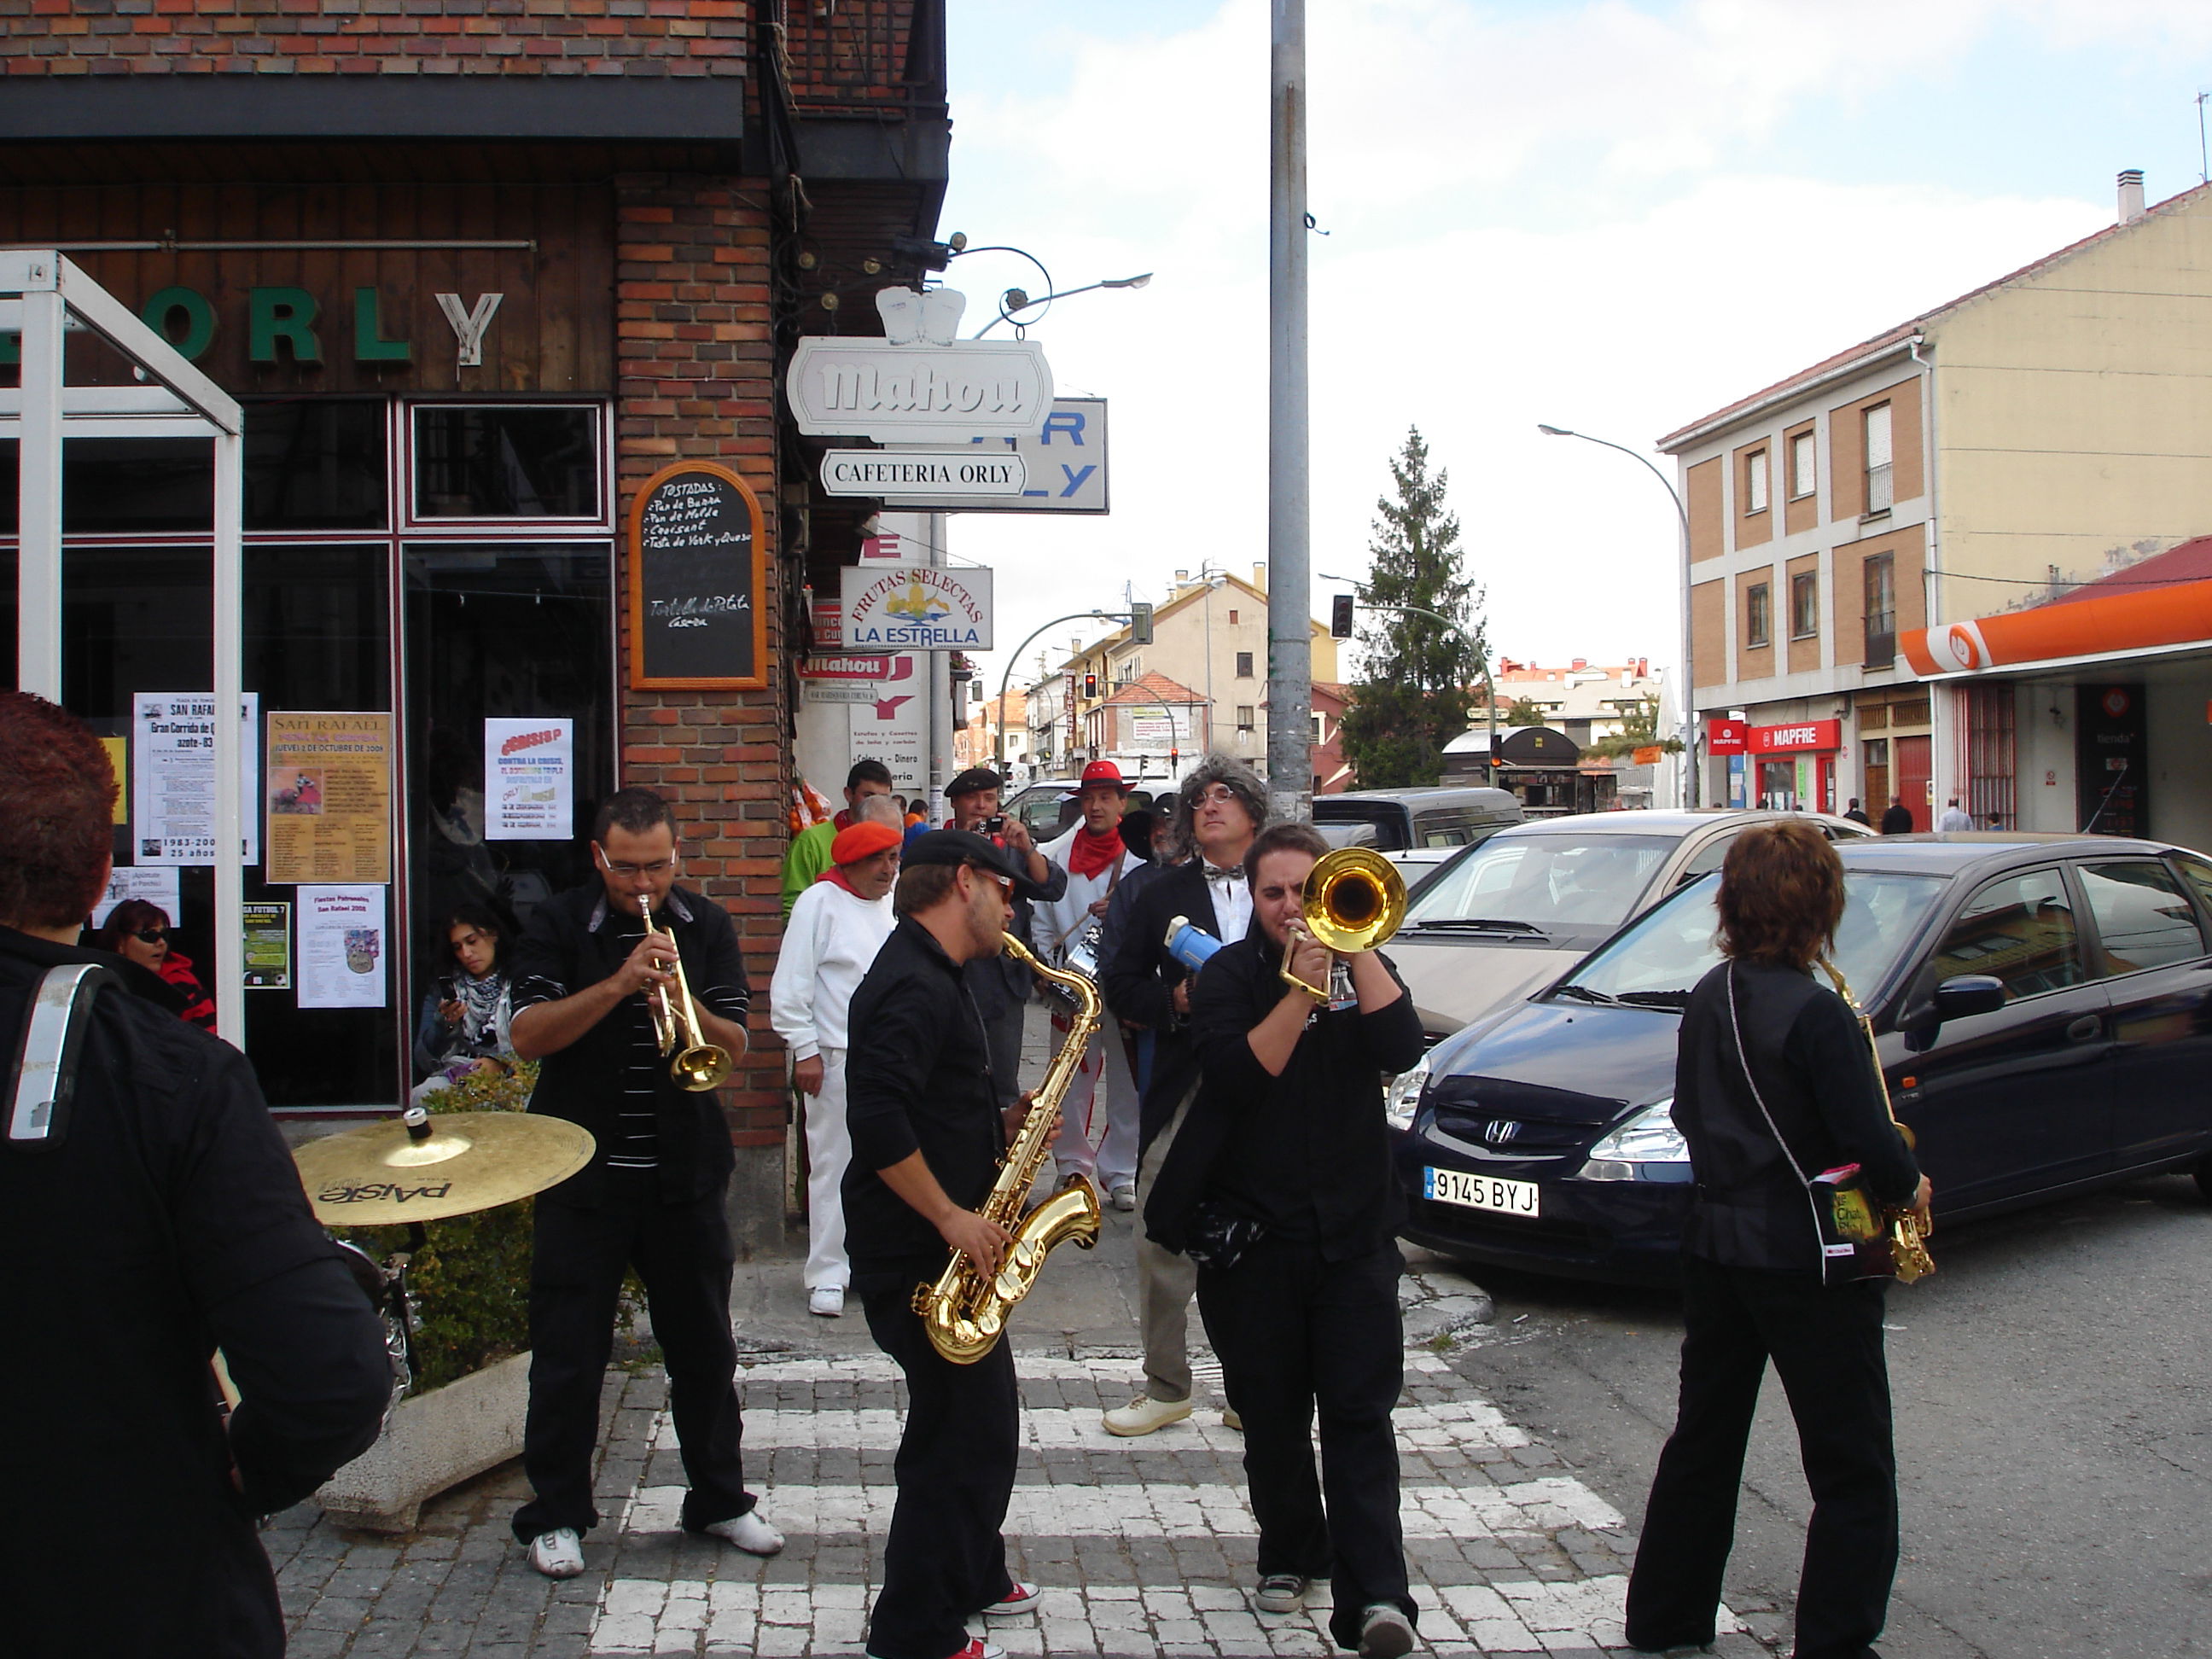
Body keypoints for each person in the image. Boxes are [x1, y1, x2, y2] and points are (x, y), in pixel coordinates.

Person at [1, 693, 391, 1659]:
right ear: (100, 878)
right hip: (128, 1589)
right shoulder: (171, 1077)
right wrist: (229, 1478)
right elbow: (331, 1380)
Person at [1623, 820, 1932, 1659]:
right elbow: (1869, 1140)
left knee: (1704, 1443)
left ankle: (1664, 1622)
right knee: (1850, 1461)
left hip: (1717, 1248)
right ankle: (1835, 1641)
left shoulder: (1708, 994)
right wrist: (1908, 1182)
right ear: (1820, 904)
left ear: (1731, 903)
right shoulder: (1821, 1014)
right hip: (1808, 1260)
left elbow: (1690, 1116)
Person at [1147, 822, 1426, 1656]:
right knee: (1270, 1415)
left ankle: (1378, 1597)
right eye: (1275, 894)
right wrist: (1300, 995)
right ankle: (1289, 1549)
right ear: (1252, 899)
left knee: (1358, 1416)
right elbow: (1238, 1074)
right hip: (1254, 1243)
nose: (1293, 909)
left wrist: (1356, 943)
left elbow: (1401, 1047)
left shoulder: (1361, 966)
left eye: (1309, 891)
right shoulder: (1228, 976)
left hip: (1353, 1240)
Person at [506, 787, 782, 1578]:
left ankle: (720, 1501)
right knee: (568, 1356)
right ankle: (555, 1515)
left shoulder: (708, 925)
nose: (643, 885)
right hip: (580, 1176)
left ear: (676, 854)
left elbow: (732, 1043)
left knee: (703, 1351)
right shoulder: (558, 925)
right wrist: (621, 982)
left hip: (683, 1176)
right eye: (627, 868)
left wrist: (679, 993)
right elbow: (528, 1036)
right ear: (599, 858)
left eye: (657, 866)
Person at [844, 830, 1062, 1659]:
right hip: (917, 1255)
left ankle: (973, 1573)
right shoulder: (913, 985)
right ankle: (915, 1631)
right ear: (965, 882)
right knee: (956, 1437)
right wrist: (948, 1216)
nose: (1012, 908)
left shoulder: (936, 974)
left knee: (980, 1421)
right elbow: (878, 1120)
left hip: (940, 1250)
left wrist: (999, 1124)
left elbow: (923, 1104)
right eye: (1005, 892)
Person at [1097, 755, 1267, 1437]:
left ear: (1253, 810)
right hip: (1187, 1080)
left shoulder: (1287, 884)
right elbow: (1122, 982)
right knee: (1161, 1231)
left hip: (1270, 1081)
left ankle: (1253, 1389)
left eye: (1225, 795)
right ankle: (1167, 1384)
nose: (1209, 806)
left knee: (1263, 1240)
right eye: (1199, 799)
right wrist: (1170, 999)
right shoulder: (1160, 892)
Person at [770, 815, 902, 1318]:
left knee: (891, 1163)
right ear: (852, 862)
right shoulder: (818, 903)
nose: (889, 870)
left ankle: (870, 1264)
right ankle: (827, 1270)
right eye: (879, 860)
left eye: (894, 858)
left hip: (889, 1057)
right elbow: (791, 987)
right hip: (836, 1056)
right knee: (833, 1165)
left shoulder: (893, 904)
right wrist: (804, 1050)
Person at [1031, 760, 1145, 1208]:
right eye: (1089, 798)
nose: (1096, 807)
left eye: (1105, 797)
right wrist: (1049, 971)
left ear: (1121, 803)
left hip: (1125, 988)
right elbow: (1042, 919)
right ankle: (1072, 1167)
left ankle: (1122, 1170)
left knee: (1127, 1083)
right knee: (1069, 1082)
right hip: (1073, 990)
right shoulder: (1057, 857)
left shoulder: (1140, 862)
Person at [943, 766, 1066, 1109]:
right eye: (972, 799)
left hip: (1004, 974)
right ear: (955, 803)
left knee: (1003, 1078)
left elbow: (1051, 887)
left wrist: (1026, 847)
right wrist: (964, 847)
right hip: (958, 972)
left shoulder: (1009, 846)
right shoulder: (940, 845)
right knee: (956, 1072)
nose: (981, 807)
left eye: (990, 799)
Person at [410, 902, 517, 1103]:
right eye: (458, 947)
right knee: (423, 1096)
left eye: (472, 941)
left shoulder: (522, 983)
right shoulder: (445, 991)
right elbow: (423, 1060)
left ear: (493, 935)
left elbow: (541, 1044)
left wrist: (501, 1065)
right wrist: (444, 1026)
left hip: (514, 1074)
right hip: (460, 1074)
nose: (466, 954)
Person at [783, 759, 895, 917]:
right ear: (848, 794)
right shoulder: (811, 842)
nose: (875, 804)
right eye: (868, 795)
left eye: (882, 798)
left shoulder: (892, 845)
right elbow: (793, 905)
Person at [91, 896, 216, 1031]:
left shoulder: (181, 985)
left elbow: (207, 1040)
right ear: (120, 943)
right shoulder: (98, 983)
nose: (161, 943)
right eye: (149, 936)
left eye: (164, 935)